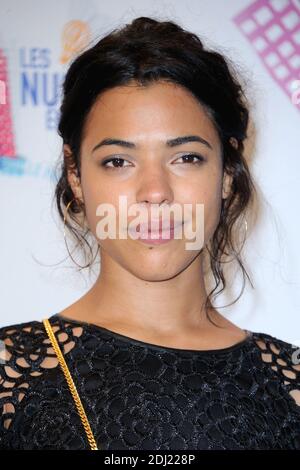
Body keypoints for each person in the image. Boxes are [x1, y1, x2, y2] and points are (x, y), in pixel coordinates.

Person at [0, 16, 299, 450]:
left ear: (228, 173)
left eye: (187, 158)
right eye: (118, 161)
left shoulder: (289, 385)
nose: (155, 192)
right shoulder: (11, 376)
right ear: (76, 175)